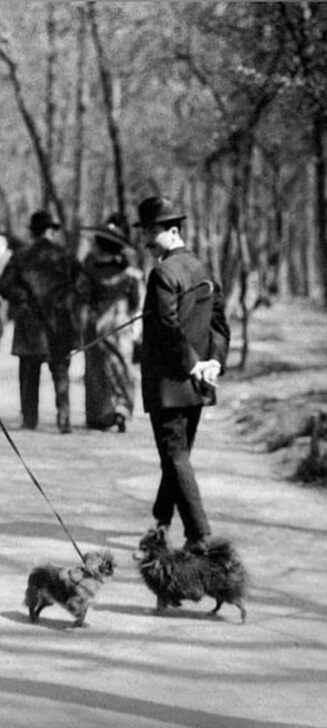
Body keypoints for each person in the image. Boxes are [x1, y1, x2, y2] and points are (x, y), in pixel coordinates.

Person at [135, 195, 230, 553]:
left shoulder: (162, 273)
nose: (146, 240)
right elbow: (221, 325)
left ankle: (199, 535)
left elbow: (166, 327)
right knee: (178, 457)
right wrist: (212, 363)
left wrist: (195, 364)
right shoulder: (203, 269)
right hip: (198, 384)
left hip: (170, 384)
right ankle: (160, 521)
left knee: (174, 457)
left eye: (151, 232)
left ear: (173, 231)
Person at [0, 209, 81, 433]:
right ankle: (64, 419)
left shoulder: (21, 255)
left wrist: (22, 298)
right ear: (51, 231)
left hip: (30, 321)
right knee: (61, 370)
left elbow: (3, 285)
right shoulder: (65, 256)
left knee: (29, 371)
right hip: (59, 321)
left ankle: (29, 419)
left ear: (34, 232)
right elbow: (80, 285)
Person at [80, 217, 142, 432]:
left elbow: (82, 294)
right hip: (121, 324)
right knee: (122, 367)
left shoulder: (89, 269)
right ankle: (122, 409)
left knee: (97, 371)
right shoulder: (129, 272)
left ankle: (99, 415)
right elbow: (135, 300)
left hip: (96, 324)